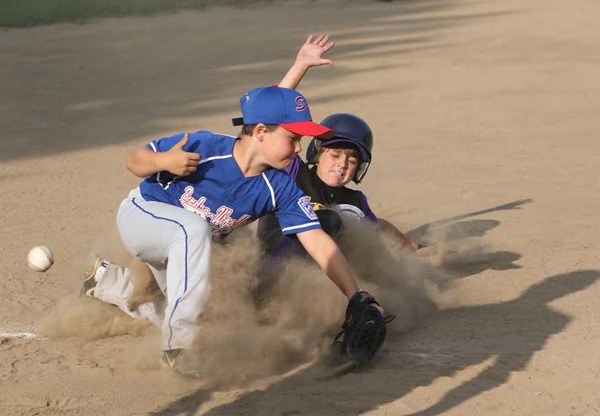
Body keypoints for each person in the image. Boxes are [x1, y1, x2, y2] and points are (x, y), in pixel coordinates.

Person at [81, 81, 387, 378]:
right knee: (194, 229)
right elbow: (134, 160)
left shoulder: (278, 187)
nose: (298, 148)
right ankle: (178, 348)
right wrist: (163, 160)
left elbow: (317, 242)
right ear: (261, 132)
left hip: (184, 249)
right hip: (143, 217)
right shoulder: (207, 147)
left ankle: (109, 283)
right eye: (293, 138)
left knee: (209, 316)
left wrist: (356, 296)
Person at [257, 35, 423, 257]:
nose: (342, 164)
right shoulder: (294, 172)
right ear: (317, 152)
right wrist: (300, 66)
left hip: (317, 273)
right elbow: (273, 116)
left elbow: (377, 226)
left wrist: (412, 246)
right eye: (335, 155)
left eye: (352, 160)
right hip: (272, 262)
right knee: (330, 220)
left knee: (350, 220)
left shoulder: (354, 201)